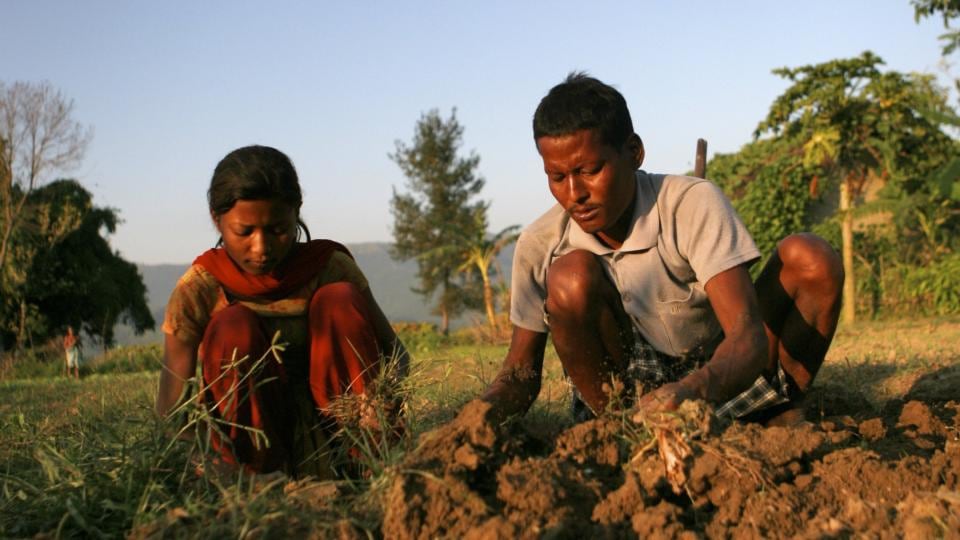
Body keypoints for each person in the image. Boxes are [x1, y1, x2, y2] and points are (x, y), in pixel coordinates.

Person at [480, 73, 843, 426]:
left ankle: (773, 412)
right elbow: (520, 374)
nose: (574, 194)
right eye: (557, 177)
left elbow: (747, 335)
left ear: (634, 152)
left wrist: (693, 389)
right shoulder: (540, 243)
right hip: (630, 395)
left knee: (811, 258)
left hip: (722, 373)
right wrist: (476, 419)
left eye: (589, 170)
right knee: (570, 277)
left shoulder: (690, 204)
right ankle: (621, 433)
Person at [156, 145, 407, 476]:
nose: (261, 247)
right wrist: (209, 462)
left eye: (277, 229)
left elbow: (398, 357)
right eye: (244, 232)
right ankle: (263, 475)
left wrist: (380, 399)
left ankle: (367, 465)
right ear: (217, 220)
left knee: (339, 301)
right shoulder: (200, 289)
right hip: (251, 464)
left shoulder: (329, 269)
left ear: (297, 210)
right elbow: (169, 412)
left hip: (341, 438)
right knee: (232, 326)